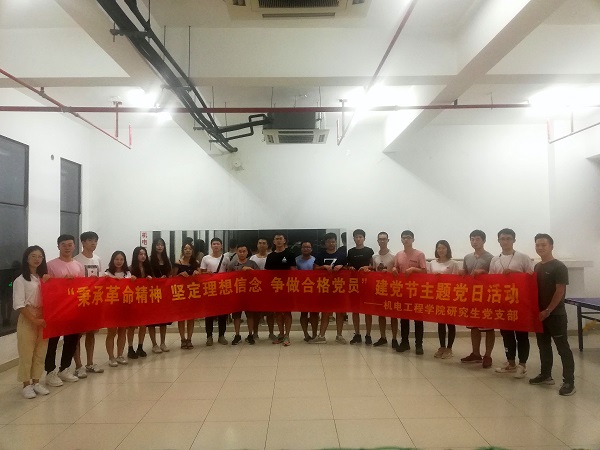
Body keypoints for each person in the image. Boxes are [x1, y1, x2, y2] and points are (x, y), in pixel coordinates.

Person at [529, 233, 575, 396]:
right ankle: (545, 375)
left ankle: (569, 382)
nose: (540, 247)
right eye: (537, 245)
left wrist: (548, 310)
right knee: (543, 346)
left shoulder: (559, 267)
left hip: (555, 315)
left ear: (551, 246)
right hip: (540, 315)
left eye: (543, 245)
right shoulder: (537, 267)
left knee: (563, 348)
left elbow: (560, 291)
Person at [490, 228, 534, 378]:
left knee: (521, 334)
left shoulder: (523, 257)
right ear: (498, 241)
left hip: (520, 303)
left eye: (508, 238)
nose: (505, 241)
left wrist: (515, 274)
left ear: (514, 240)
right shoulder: (495, 260)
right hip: (503, 304)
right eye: (502, 238)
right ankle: (510, 363)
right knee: (506, 334)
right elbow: (491, 281)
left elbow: (531, 278)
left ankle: (523, 365)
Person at [44, 234, 85, 386]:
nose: (67, 248)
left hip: (73, 308)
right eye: (63, 245)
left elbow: (82, 287)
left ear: (74, 246)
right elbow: (46, 287)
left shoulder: (79, 266)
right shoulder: (50, 265)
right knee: (53, 340)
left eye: (70, 245)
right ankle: (50, 371)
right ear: (58, 246)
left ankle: (65, 368)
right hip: (56, 309)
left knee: (71, 339)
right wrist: (61, 282)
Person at [14, 246, 50, 398]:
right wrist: (34, 320)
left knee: (40, 352)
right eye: (33, 256)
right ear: (27, 258)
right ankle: (26, 385)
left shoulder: (44, 278)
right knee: (26, 352)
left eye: (40, 256)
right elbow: (19, 305)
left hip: (44, 318)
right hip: (28, 317)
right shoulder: (20, 280)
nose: (37, 259)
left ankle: (36, 381)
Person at [459, 230, 495, 368]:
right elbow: (466, 274)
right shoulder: (467, 257)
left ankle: (488, 355)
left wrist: (484, 273)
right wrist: (462, 273)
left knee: (488, 328)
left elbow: (495, 277)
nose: (474, 242)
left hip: (486, 297)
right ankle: (475, 353)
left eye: (477, 239)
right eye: (472, 239)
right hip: (472, 297)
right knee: (473, 326)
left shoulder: (491, 258)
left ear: (484, 241)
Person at [73, 231, 103, 378]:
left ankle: (90, 363)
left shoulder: (97, 259)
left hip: (94, 302)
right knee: (77, 335)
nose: (93, 243)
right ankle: (78, 366)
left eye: (95, 241)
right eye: (90, 240)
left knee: (91, 333)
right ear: (83, 242)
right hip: (80, 302)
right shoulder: (76, 260)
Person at [309, 233, 348, 344]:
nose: (331, 243)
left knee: (340, 312)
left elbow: (348, 269)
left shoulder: (342, 255)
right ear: (325, 243)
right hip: (325, 288)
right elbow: (314, 269)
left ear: (336, 242)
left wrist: (342, 267)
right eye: (328, 241)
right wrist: (323, 267)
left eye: (333, 241)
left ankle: (339, 335)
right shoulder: (320, 255)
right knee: (325, 312)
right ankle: (321, 336)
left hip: (339, 288)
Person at [392, 230, 427, 354]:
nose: (406, 240)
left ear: (413, 239)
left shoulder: (419, 254)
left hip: (416, 291)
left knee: (418, 319)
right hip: (403, 291)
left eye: (408, 237)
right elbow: (396, 267)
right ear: (401, 240)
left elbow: (424, 271)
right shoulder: (398, 254)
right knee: (404, 318)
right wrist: (394, 269)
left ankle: (419, 345)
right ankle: (405, 343)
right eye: (404, 238)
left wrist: (413, 269)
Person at [427, 240, 460, 359]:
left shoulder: (453, 263)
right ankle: (442, 346)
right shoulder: (432, 263)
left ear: (447, 249)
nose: (441, 250)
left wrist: (444, 278)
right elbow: (428, 279)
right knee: (440, 322)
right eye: (439, 248)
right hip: (437, 296)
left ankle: (449, 348)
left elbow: (456, 281)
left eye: (443, 248)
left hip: (449, 296)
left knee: (450, 323)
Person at [265, 233, 297, 346]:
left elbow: (293, 271)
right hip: (275, 287)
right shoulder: (270, 256)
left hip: (287, 287)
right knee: (277, 312)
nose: (278, 241)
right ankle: (281, 334)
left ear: (284, 241)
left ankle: (287, 335)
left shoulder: (290, 254)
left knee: (287, 311)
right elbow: (267, 273)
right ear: (274, 242)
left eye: (280, 239)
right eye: (276, 239)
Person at [104, 251, 134, 366]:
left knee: (122, 331)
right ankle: (111, 357)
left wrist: (134, 280)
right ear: (112, 260)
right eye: (116, 259)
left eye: (121, 259)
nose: (119, 261)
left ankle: (120, 355)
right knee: (111, 332)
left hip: (124, 307)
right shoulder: (107, 274)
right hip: (111, 308)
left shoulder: (128, 273)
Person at [227, 244, 259, 345]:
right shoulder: (232, 264)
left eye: (244, 251)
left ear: (247, 252)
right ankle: (237, 335)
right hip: (236, 294)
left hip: (249, 295)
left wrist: (251, 271)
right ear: (237, 252)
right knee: (236, 316)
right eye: (240, 251)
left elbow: (259, 276)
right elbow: (227, 278)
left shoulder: (252, 263)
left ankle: (250, 335)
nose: (242, 253)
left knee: (250, 316)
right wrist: (241, 270)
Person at [347, 229, 374, 345]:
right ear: (353, 238)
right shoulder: (350, 252)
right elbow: (348, 266)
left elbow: (373, 266)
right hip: (354, 284)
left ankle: (368, 335)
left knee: (368, 310)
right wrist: (350, 268)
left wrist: (367, 267)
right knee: (355, 310)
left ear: (364, 238)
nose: (358, 239)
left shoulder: (369, 251)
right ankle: (357, 334)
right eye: (356, 237)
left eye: (360, 237)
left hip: (366, 284)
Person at [371, 232, 398, 348]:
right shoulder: (374, 256)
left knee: (393, 315)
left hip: (392, 289)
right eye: (380, 239)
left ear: (388, 240)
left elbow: (397, 272)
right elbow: (373, 271)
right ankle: (383, 337)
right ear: (377, 241)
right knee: (381, 314)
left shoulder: (393, 256)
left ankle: (394, 339)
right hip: (379, 288)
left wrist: (390, 272)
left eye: (384, 239)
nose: (382, 241)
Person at [200, 238, 229, 346]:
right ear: (211, 246)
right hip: (210, 289)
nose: (216, 245)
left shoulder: (226, 258)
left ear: (221, 246)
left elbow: (229, 273)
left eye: (218, 244)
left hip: (222, 289)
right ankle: (209, 336)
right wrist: (207, 273)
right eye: (214, 244)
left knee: (223, 314)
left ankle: (221, 336)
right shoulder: (205, 258)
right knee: (209, 314)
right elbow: (201, 273)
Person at [173, 242, 201, 349]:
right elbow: (172, 278)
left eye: (189, 249)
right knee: (181, 318)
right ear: (182, 251)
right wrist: (180, 275)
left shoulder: (196, 263)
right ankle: (182, 339)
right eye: (185, 249)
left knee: (191, 317)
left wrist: (197, 274)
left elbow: (200, 278)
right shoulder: (178, 263)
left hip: (192, 294)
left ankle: (189, 339)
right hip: (181, 294)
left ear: (192, 251)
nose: (188, 250)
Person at [127, 246, 152, 359]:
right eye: (140, 254)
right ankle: (130, 348)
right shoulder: (130, 269)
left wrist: (150, 279)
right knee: (132, 326)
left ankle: (140, 346)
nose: (143, 256)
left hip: (144, 300)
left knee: (143, 325)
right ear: (136, 255)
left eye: (144, 254)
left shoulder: (148, 268)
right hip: (133, 301)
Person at [149, 237, 172, 353]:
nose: (159, 246)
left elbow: (170, 274)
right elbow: (148, 276)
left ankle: (163, 343)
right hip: (153, 293)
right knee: (152, 320)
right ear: (154, 246)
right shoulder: (149, 260)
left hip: (164, 292)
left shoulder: (167, 259)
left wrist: (166, 279)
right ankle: (154, 344)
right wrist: (157, 280)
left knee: (164, 319)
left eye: (162, 244)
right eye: (157, 244)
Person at [250, 237, 274, 340]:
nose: (262, 245)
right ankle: (255, 333)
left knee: (270, 313)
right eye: (260, 243)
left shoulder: (272, 256)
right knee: (256, 313)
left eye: (264, 243)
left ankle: (271, 333)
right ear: (257, 245)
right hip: (256, 288)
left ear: (267, 245)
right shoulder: (252, 258)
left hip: (269, 288)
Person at [295, 240, 318, 342]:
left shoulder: (315, 260)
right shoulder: (296, 260)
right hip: (301, 291)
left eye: (308, 247)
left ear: (311, 249)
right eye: (304, 247)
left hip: (314, 291)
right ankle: (306, 334)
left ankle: (314, 334)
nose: (306, 249)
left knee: (314, 313)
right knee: (303, 313)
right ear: (301, 249)